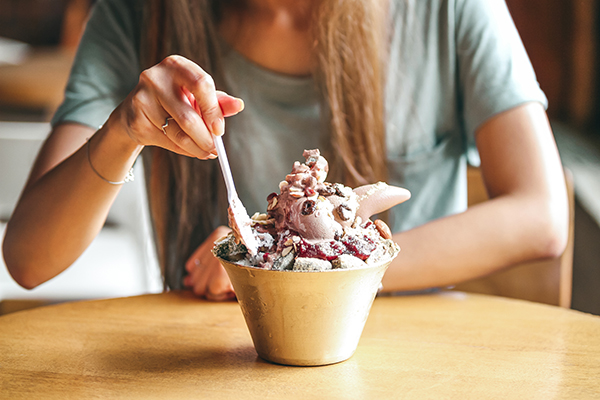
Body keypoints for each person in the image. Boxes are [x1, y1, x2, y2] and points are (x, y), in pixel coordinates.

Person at [2, 0, 568, 301]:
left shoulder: (450, 9)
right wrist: (121, 133)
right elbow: (28, 259)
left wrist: (287, 267)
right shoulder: (135, 14)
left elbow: (540, 216)